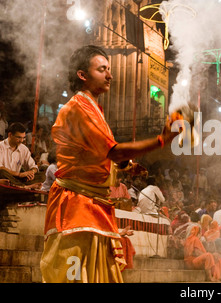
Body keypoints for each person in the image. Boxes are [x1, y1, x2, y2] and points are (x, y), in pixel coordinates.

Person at [40, 45, 179, 283]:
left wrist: (126, 165)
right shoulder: (78, 107)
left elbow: (98, 155)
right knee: (75, 277)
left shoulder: (93, 107)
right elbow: (113, 151)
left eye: (109, 69)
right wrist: (161, 140)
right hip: (75, 205)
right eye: (102, 69)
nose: (110, 75)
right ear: (82, 75)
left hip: (94, 204)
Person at [0, 122, 44, 187]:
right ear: (10, 135)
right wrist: (19, 174)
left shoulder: (24, 149)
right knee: (2, 172)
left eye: (23, 138)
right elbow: (1, 167)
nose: (22, 140)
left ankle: (19, 185)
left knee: (43, 176)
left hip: (18, 179)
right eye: (19, 137)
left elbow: (34, 166)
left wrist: (31, 173)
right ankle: (25, 187)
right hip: (6, 177)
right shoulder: (1, 146)